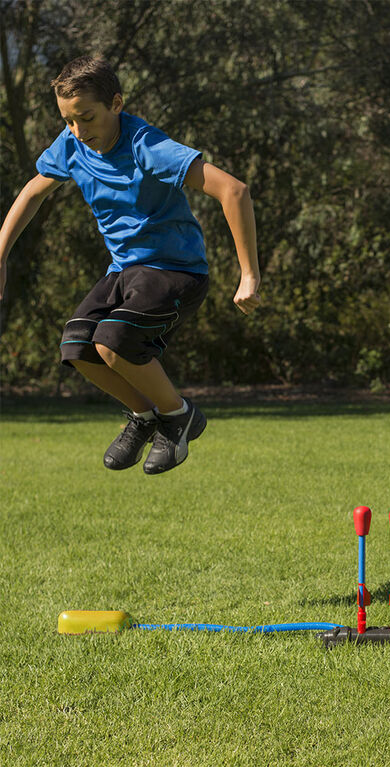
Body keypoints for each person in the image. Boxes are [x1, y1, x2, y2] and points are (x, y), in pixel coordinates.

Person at [0, 55, 260, 474]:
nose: (78, 132)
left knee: (114, 341)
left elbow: (234, 191)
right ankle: (144, 417)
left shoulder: (146, 146)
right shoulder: (71, 145)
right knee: (77, 346)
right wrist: (1, 254)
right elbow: (32, 192)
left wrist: (249, 274)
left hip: (177, 270)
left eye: (87, 118)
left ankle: (179, 417)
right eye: (68, 121)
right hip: (124, 271)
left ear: (116, 103)